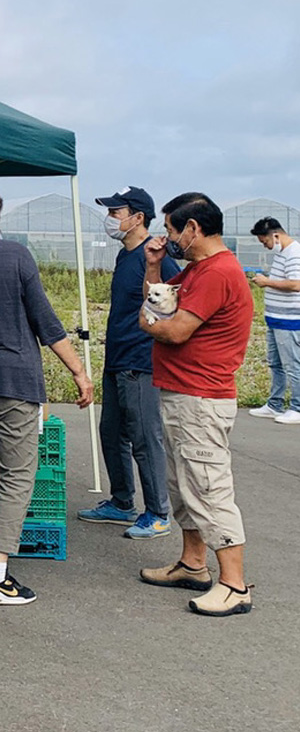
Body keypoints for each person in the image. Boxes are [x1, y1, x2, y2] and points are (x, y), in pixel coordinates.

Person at [0, 181, 93, 606]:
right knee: (16, 474)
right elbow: (46, 322)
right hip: (14, 383)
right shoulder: (15, 255)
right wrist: (79, 372)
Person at [138, 192, 254, 616]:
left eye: (171, 230)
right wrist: (153, 268)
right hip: (183, 393)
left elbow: (174, 330)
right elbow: (155, 307)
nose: (168, 239)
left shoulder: (216, 272)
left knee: (208, 487)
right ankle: (192, 563)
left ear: (192, 228)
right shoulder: (196, 270)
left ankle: (234, 585)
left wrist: (152, 323)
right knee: (184, 486)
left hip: (200, 398)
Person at [78, 187, 180, 538]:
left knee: (144, 437)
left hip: (140, 360)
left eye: (115, 212)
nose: (110, 219)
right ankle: (122, 502)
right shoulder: (126, 255)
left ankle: (158, 512)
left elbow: (174, 305)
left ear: (137, 218)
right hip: (117, 358)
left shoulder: (156, 257)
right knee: (112, 433)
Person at [246, 216, 300, 424]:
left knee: (293, 365)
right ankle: (275, 403)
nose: (266, 246)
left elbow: (296, 284)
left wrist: (267, 282)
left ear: (276, 236)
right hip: (275, 319)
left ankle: (297, 407)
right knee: (276, 364)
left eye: (265, 242)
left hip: (289, 320)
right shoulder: (282, 254)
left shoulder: (294, 253)